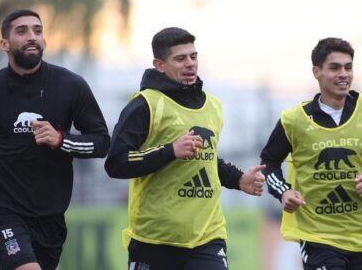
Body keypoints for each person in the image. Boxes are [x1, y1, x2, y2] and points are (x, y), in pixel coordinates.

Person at [104, 27, 265, 270]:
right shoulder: (145, 105)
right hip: (154, 239)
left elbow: (207, 161)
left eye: (193, 56)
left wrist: (239, 179)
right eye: (180, 59)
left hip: (207, 237)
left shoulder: (213, 106)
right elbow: (116, 162)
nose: (190, 64)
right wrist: (170, 151)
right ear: (159, 65)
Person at [0, 9, 110, 270]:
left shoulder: (70, 86)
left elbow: (101, 143)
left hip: (50, 216)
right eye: (22, 31)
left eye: (37, 31)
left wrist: (61, 140)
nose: (32, 36)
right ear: (4, 44)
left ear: (45, 41)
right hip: (1, 210)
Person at [260, 37, 362, 269]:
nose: (344, 74)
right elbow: (269, 161)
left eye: (348, 67)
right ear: (316, 71)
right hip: (319, 238)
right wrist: (283, 192)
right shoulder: (294, 120)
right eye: (335, 67)